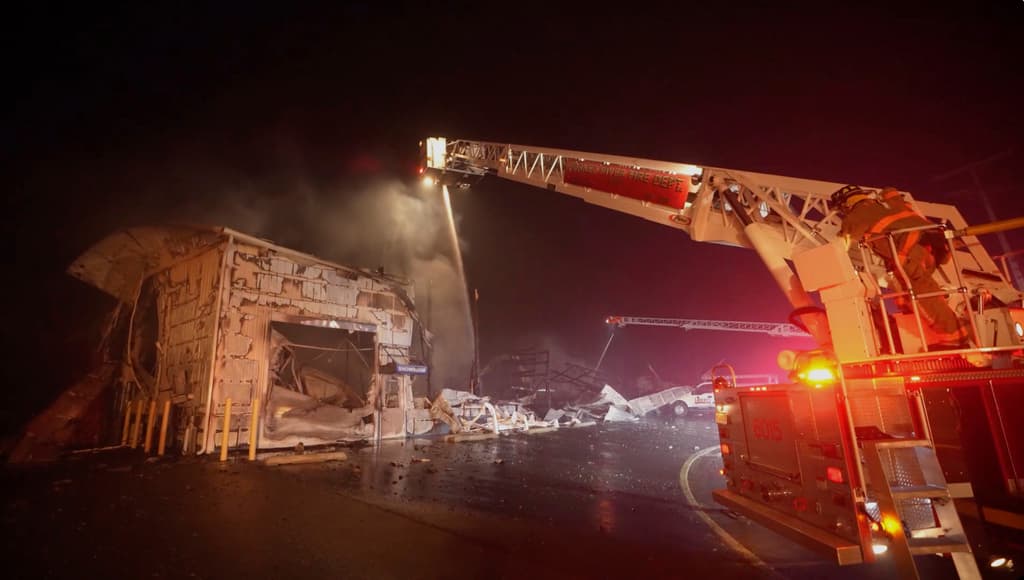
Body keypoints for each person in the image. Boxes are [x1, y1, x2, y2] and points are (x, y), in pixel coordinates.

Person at [831, 184, 969, 348]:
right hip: (932, 248)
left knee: (920, 295)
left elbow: (840, 244)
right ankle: (932, 331)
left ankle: (952, 336)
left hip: (910, 254)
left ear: (845, 204)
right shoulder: (887, 205)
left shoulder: (856, 215)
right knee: (906, 294)